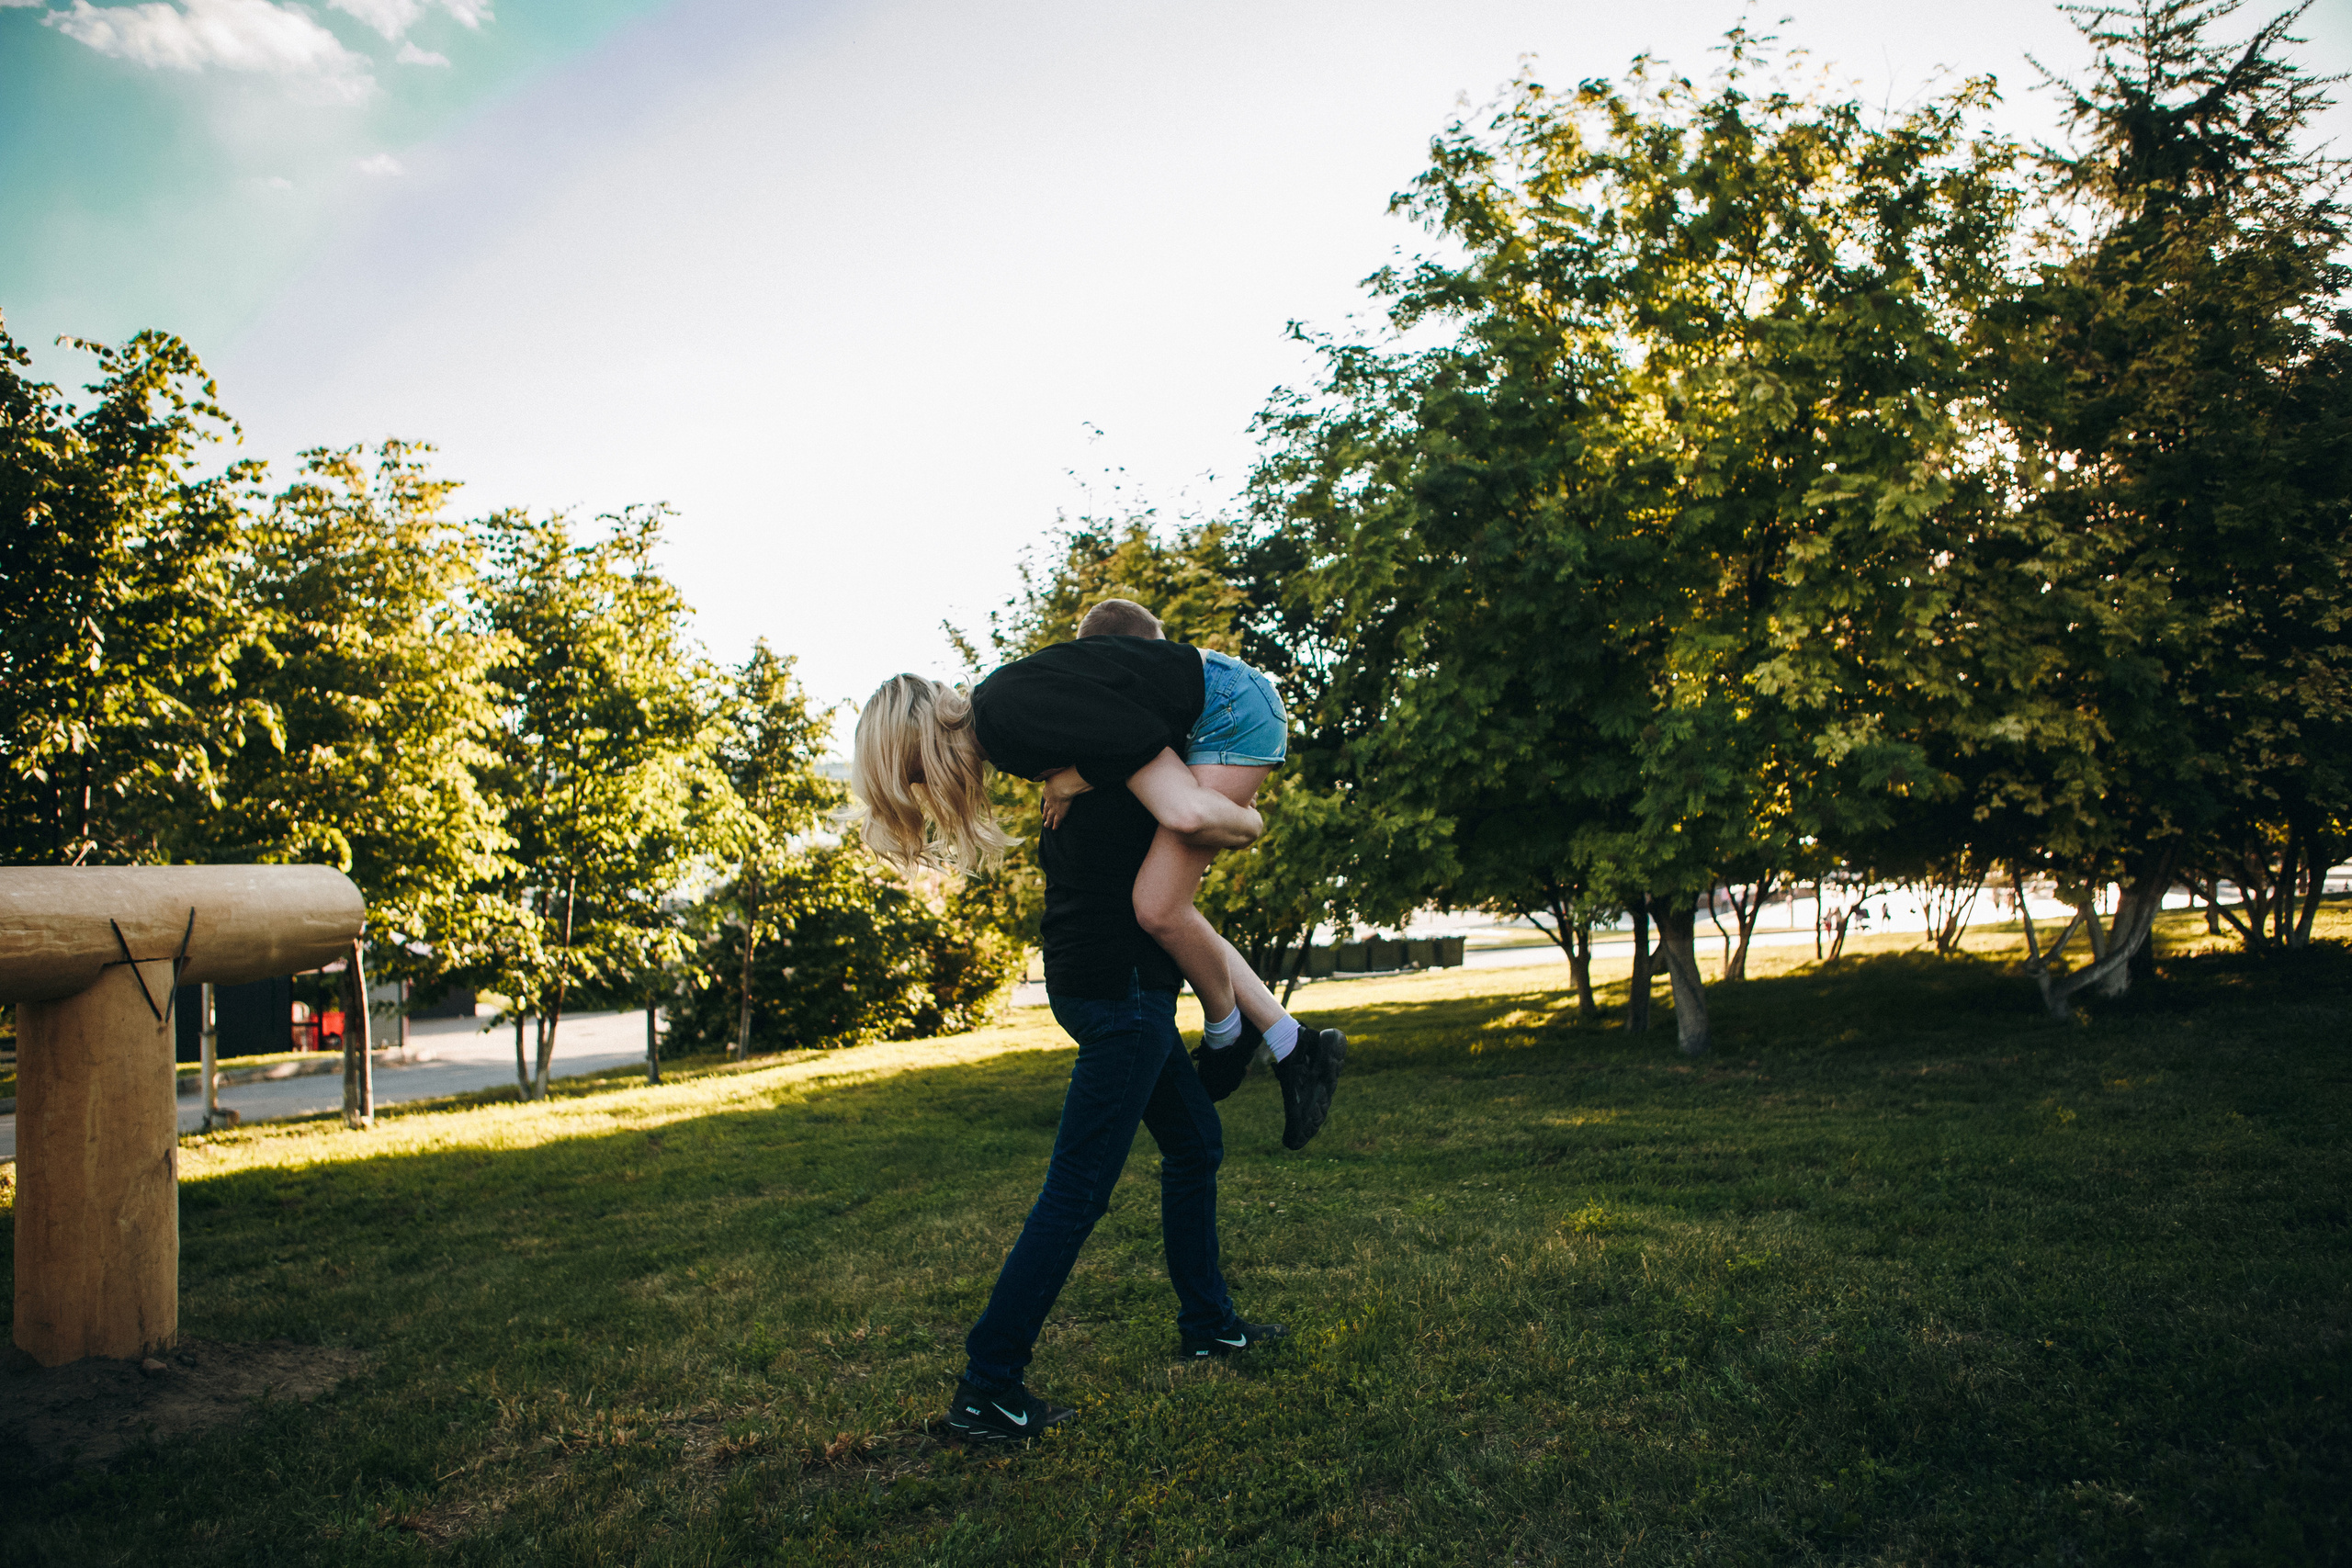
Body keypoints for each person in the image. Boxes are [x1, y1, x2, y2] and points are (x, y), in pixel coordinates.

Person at [850, 615, 1344, 1444]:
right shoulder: (1045, 730)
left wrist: (1078, 773)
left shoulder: (1046, 736)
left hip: (1105, 985)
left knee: (1194, 1146)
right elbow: (1179, 810)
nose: (936, 797)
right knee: (1077, 1188)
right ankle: (989, 1384)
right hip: (1122, 994)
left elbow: (1142, 754)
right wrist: (1250, 819)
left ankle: (1209, 1321)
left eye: (918, 782)